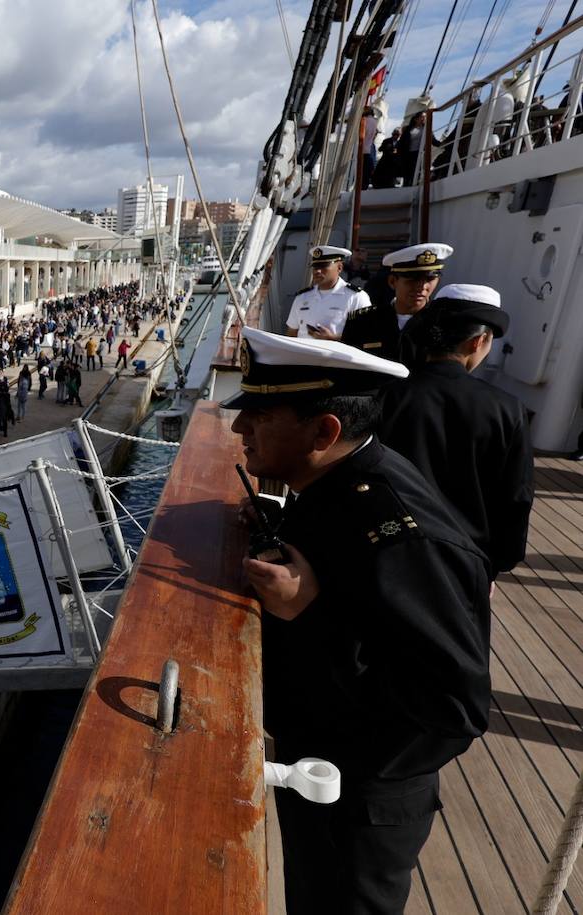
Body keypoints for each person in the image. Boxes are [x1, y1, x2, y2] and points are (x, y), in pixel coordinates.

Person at [227, 327, 490, 914]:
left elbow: (455, 708)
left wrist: (311, 613)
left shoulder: (400, 535)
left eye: (260, 416)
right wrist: (275, 520)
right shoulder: (338, 481)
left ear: (324, 431)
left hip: (359, 801)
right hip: (325, 765)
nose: (240, 429)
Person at [379, 285, 533, 577]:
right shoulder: (507, 409)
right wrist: (494, 565)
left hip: (390, 551)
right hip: (464, 561)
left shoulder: (388, 396)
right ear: (479, 341)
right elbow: (516, 498)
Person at [340, 243, 453, 364]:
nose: (422, 287)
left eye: (430, 279)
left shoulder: (445, 323)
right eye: (413, 280)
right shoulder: (362, 321)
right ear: (393, 281)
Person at [285, 246, 371, 340]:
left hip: (336, 354)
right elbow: (292, 333)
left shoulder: (356, 297)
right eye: (315, 267)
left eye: (323, 266)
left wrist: (332, 338)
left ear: (339, 267)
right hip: (304, 354)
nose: (317, 271)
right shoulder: (302, 297)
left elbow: (366, 336)